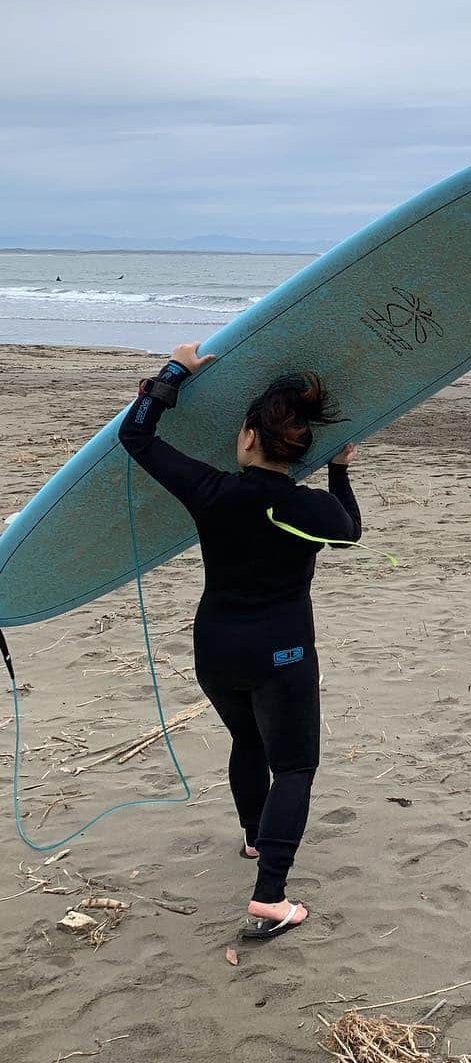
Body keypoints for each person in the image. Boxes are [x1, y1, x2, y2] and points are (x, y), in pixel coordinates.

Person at [119, 342, 362, 939]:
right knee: (296, 765)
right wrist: (340, 471)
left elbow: (137, 437)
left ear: (249, 438)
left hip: (215, 652)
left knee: (247, 740)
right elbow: (350, 533)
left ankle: (256, 838)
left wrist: (174, 373)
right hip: (282, 656)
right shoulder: (311, 510)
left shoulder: (212, 491)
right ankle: (271, 897)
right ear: (298, 450)